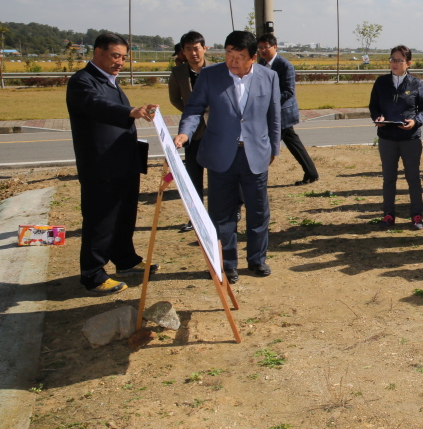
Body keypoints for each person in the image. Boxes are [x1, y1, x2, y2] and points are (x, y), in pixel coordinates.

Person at [174, 30, 281, 285]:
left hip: (255, 154)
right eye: (229, 55)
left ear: (253, 57)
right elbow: (193, 110)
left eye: (240, 56)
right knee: (222, 213)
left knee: (258, 211)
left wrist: (273, 148)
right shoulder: (210, 76)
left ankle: (257, 259)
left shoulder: (270, 77)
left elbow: (274, 116)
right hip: (221, 155)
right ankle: (227, 263)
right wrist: (184, 134)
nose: (233, 61)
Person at [67, 32, 159, 294]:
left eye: (124, 57)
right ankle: (93, 274)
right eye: (115, 56)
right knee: (101, 220)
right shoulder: (82, 81)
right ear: (97, 52)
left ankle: (126, 259)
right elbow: (96, 106)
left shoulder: (111, 81)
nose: (120, 62)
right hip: (101, 167)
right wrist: (130, 112)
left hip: (124, 163)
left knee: (124, 216)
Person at [368, 45, 423, 229]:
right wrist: (377, 117)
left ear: (408, 63)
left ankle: (417, 215)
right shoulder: (381, 82)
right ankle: (388, 215)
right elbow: (374, 106)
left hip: (410, 138)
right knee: (389, 178)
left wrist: (416, 121)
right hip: (387, 137)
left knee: (413, 178)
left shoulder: (416, 83)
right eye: (392, 59)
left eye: (399, 60)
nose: (394, 63)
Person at [257, 33, 319, 186]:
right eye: (260, 48)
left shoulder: (285, 65)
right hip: (269, 112)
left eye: (266, 47)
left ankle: (254, 177)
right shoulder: (260, 63)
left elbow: (288, 91)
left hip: (282, 113)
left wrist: (269, 102)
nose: (263, 50)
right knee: (292, 142)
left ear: (275, 47)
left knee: (268, 146)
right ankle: (311, 173)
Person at [168, 30, 209, 233]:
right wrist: (190, 114)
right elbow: (175, 98)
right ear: (183, 52)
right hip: (192, 133)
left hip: (217, 129)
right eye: (188, 49)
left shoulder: (218, 70)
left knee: (224, 173)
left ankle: (232, 209)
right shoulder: (178, 73)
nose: (193, 53)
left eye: (196, 48)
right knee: (194, 176)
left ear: (204, 48)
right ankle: (196, 217)